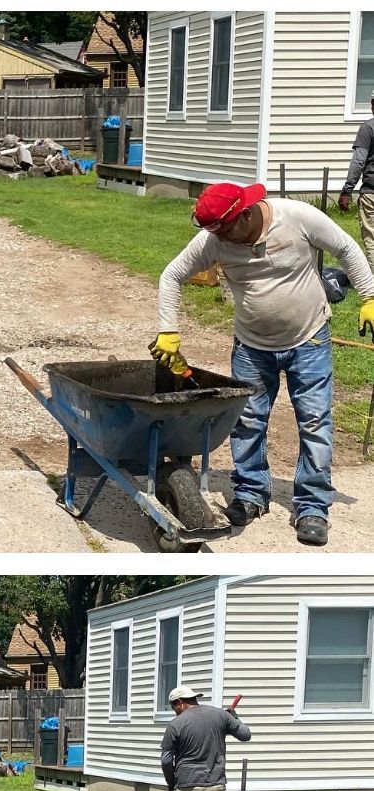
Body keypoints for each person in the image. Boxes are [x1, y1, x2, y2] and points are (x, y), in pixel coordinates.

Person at [151, 181, 374, 547]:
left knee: (315, 422)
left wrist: (369, 297)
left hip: (309, 338)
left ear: (244, 213)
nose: (220, 237)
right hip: (252, 346)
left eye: (224, 228)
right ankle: (251, 494)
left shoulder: (296, 217)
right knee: (247, 421)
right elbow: (172, 275)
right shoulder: (215, 240)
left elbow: (346, 247)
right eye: (213, 231)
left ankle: (312, 507)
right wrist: (168, 331)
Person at [338, 90, 374, 269]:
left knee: (372, 239)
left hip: (371, 193)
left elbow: (359, 161)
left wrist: (347, 191)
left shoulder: (368, 128)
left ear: (372, 105)